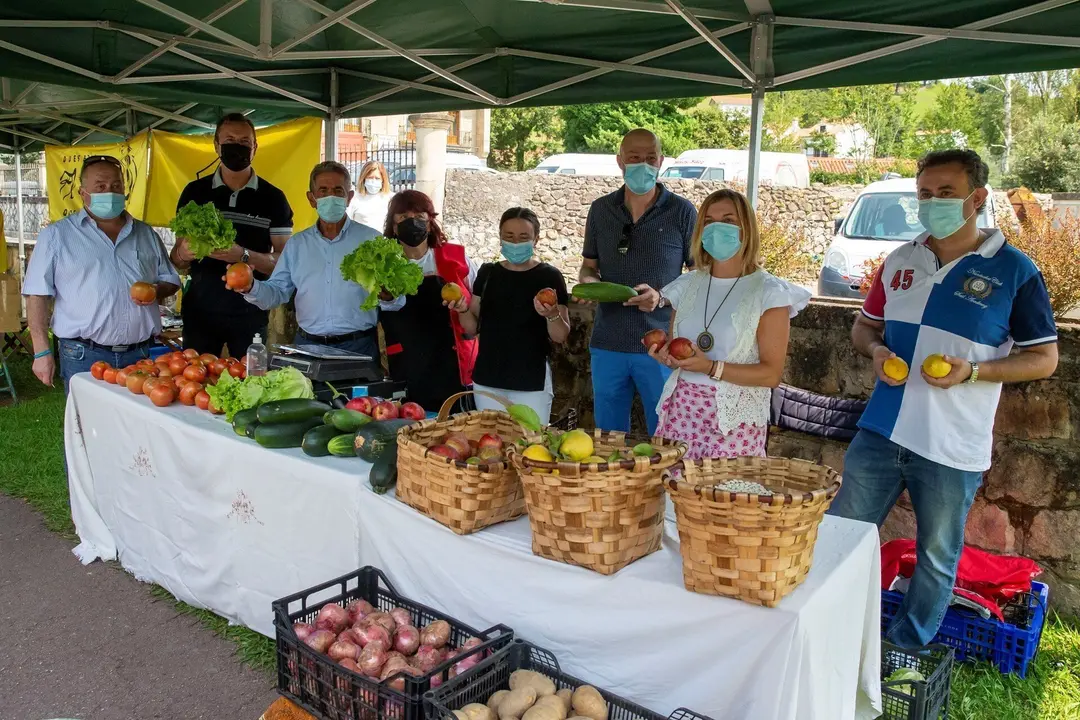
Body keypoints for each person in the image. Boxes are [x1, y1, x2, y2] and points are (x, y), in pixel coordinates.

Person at [829, 149, 1059, 649]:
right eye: (925, 195)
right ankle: (828, 631)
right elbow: (864, 326)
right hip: (881, 428)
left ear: (977, 198)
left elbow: (1044, 358)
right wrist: (875, 351)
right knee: (838, 536)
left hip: (952, 443)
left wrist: (974, 371)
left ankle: (905, 652)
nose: (932, 204)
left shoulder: (1015, 271)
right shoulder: (900, 260)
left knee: (937, 557)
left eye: (945, 194)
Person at [647, 189, 809, 459]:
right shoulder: (686, 286)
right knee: (676, 497)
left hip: (734, 424)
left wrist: (710, 367)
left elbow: (770, 375)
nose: (717, 227)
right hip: (682, 413)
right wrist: (669, 357)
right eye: (709, 221)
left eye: (729, 220)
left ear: (746, 229)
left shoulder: (769, 292)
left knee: (723, 498)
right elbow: (679, 351)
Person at [23, 155, 180, 391]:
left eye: (116, 186)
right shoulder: (56, 236)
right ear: (82, 192)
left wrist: (156, 290)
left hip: (140, 354)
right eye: (100, 186)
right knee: (85, 426)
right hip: (83, 355)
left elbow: (170, 279)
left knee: (136, 426)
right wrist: (42, 351)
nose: (110, 191)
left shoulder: (146, 234)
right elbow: (37, 295)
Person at [578, 128, 696, 435]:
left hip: (662, 347)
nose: (642, 164)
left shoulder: (682, 212)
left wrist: (662, 298)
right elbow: (588, 267)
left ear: (661, 161)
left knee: (666, 434)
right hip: (608, 344)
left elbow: (699, 278)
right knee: (608, 439)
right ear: (619, 161)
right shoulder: (601, 210)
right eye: (634, 157)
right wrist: (589, 285)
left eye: (650, 157)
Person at [169, 113, 294, 357]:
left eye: (245, 142)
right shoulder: (194, 193)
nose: (237, 146)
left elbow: (283, 263)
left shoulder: (274, 198)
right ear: (216, 145)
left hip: (251, 313)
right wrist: (183, 253)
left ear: (255, 147)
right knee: (195, 385)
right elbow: (177, 261)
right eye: (229, 140)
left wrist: (243, 256)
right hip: (199, 313)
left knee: (249, 385)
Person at [229, 161, 380, 357]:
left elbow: (394, 299)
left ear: (349, 197)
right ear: (311, 198)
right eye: (323, 191)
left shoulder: (371, 241)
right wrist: (250, 287)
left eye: (338, 190)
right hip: (309, 347)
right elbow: (277, 292)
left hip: (359, 347)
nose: (330, 196)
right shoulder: (297, 245)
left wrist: (388, 295)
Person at [455, 207, 570, 423]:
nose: (516, 242)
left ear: (536, 238)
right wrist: (462, 309)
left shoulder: (549, 276)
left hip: (531, 381)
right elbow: (472, 327)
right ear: (500, 237)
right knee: (490, 446)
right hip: (487, 380)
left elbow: (560, 335)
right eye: (509, 236)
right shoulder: (488, 274)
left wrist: (552, 314)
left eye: (523, 237)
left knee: (532, 445)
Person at [379, 190, 479, 413]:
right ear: (393, 226)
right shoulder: (383, 265)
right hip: (407, 362)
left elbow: (478, 307)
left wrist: (464, 308)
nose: (412, 222)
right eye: (403, 217)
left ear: (430, 221)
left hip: (452, 362)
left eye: (419, 216)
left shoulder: (457, 258)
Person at [347, 160, 392, 230]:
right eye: (370, 178)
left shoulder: (390, 198)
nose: (373, 181)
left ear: (383, 180)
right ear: (363, 179)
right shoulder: (354, 198)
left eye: (377, 178)